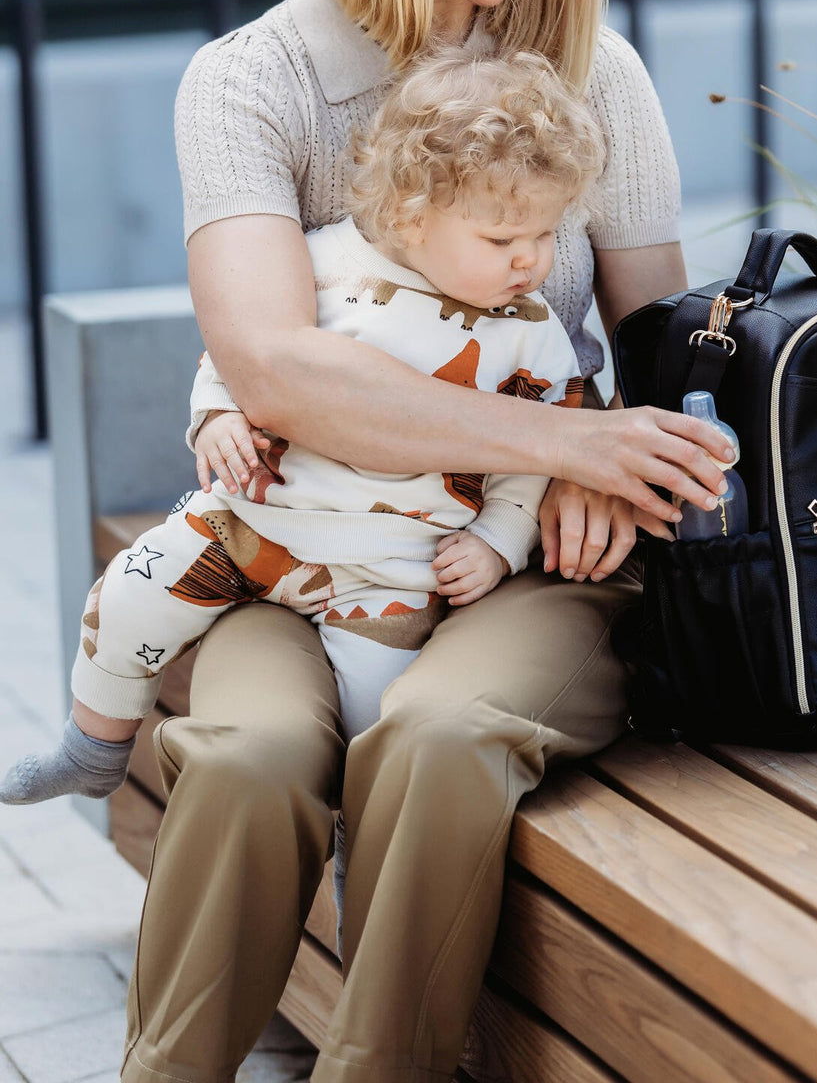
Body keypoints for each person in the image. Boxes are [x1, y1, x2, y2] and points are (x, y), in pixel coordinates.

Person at [92, 0, 729, 1083]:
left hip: (530, 560)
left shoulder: (597, 77)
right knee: (247, 758)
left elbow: (659, 347)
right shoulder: (250, 85)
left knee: (444, 734)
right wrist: (570, 439)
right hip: (296, 559)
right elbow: (275, 366)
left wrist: (595, 458)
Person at [0, 49, 605, 811]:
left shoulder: (530, 334)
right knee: (127, 596)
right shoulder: (322, 265)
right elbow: (239, 355)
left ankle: (356, 848)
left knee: (378, 726)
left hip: (393, 573)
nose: (531, 262)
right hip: (247, 525)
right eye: (501, 240)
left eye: (546, 235)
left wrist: (496, 542)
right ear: (413, 213)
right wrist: (216, 417)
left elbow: (532, 458)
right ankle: (92, 748)